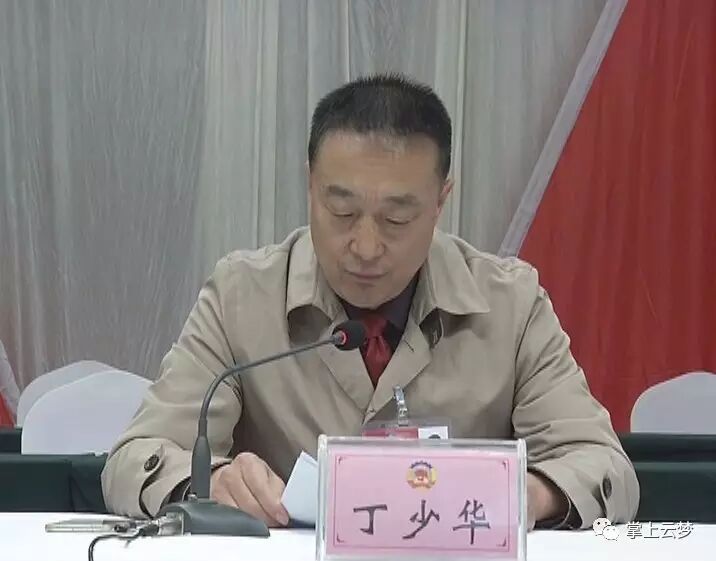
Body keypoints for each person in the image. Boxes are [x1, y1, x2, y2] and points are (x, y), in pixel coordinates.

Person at [102, 74, 639, 530]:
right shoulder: (241, 296)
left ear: (440, 202)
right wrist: (213, 481)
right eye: (341, 212)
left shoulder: (510, 305)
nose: (364, 246)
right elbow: (133, 460)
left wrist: (526, 494)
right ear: (311, 186)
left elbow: (603, 466)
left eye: (396, 219)